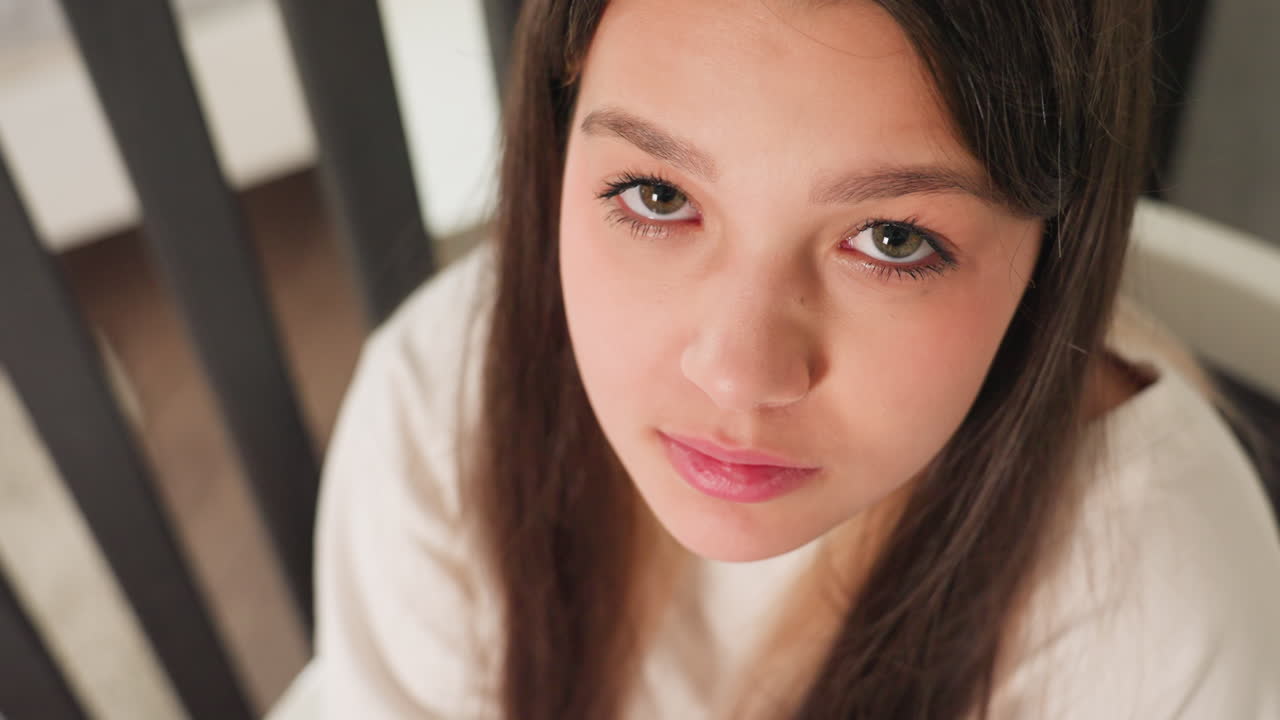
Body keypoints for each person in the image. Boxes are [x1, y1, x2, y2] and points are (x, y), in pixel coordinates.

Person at [312, 0, 1280, 717]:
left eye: (892, 241)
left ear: (1052, 250)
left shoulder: (1149, 609)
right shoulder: (441, 410)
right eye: (655, 195)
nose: (735, 373)